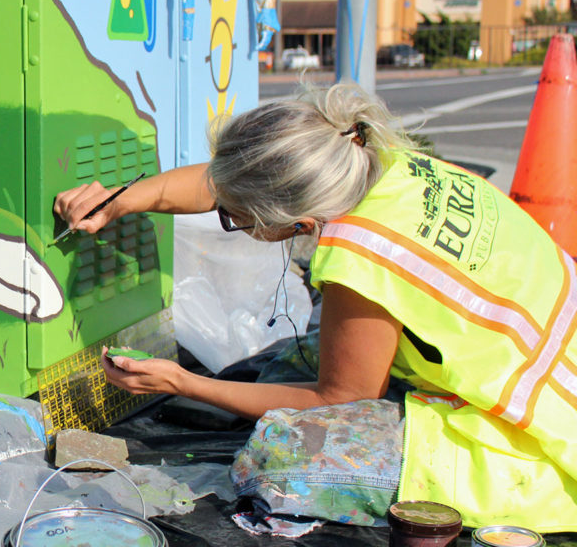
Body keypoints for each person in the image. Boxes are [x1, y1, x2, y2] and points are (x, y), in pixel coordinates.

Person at [53, 83, 577, 531]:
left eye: (234, 219)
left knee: (278, 460)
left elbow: (340, 398)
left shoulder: (361, 256)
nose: (229, 221)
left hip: (538, 451)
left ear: (296, 223)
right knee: (285, 369)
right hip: (551, 369)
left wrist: (183, 383)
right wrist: (122, 197)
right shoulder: (374, 163)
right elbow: (228, 180)